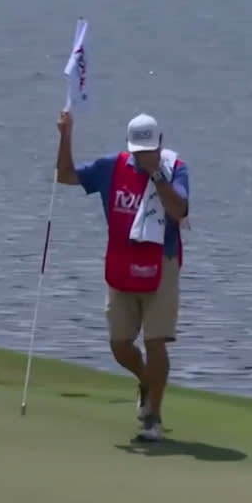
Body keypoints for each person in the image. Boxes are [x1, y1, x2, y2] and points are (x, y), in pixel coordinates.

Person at [55, 109, 190, 442]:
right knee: (119, 345)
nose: (143, 157)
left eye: (149, 150)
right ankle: (146, 381)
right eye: (138, 151)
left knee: (155, 342)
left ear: (160, 144)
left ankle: (153, 417)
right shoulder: (111, 168)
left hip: (162, 264)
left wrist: (157, 176)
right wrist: (66, 135)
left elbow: (179, 210)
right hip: (122, 262)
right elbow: (65, 175)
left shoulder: (175, 169)